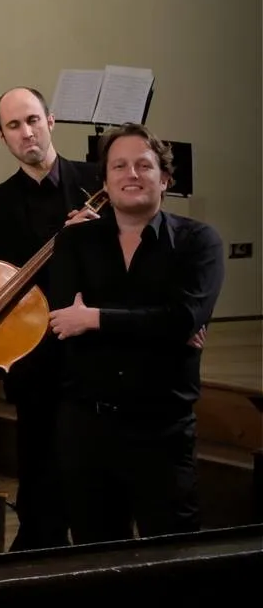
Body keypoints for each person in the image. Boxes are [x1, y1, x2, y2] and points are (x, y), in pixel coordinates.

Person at [47, 123, 224, 544]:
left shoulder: (200, 242)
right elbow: (63, 323)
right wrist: (158, 325)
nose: (132, 174)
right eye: (119, 165)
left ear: (164, 178)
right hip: (88, 427)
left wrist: (95, 319)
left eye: (144, 165)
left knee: (174, 552)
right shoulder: (75, 242)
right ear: (105, 181)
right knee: (95, 555)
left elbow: (182, 319)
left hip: (161, 428)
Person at [0, 87, 102, 551]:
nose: (28, 133)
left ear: (51, 120)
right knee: (38, 466)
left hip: (95, 352)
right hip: (34, 358)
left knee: (92, 474)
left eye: (33, 120)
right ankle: (38, 560)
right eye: (14, 126)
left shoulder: (97, 181)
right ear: (1, 137)